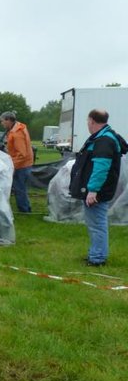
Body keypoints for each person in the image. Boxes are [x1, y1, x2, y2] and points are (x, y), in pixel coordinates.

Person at [74, 109, 124, 266]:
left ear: (92, 121)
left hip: (98, 191)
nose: (88, 124)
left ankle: (97, 258)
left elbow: (101, 167)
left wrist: (93, 190)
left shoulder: (104, 140)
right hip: (99, 189)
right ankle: (95, 253)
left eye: (88, 121)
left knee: (97, 225)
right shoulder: (104, 137)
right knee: (95, 224)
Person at [0, 111, 33, 213]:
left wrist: (11, 166)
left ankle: (24, 210)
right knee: (21, 188)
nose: (2, 124)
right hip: (23, 164)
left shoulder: (17, 133)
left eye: (2, 121)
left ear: (8, 120)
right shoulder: (16, 128)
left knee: (19, 188)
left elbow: (22, 154)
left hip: (22, 165)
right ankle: (26, 208)